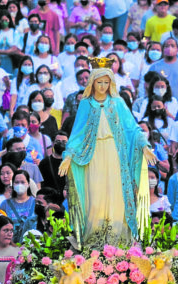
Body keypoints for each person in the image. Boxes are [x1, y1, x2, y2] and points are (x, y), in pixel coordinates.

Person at [58, 57, 156, 248]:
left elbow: (132, 129)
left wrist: (145, 146)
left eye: (106, 82)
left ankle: (118, 240)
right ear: (92, 82)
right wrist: (68, 156)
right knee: (94, 195)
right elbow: (77, 134)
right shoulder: (86, 104)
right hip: (93, 155)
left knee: (116, 194)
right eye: (99, 82)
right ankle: (93, 240)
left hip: (114, 153)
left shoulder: (117, 103)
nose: (102, 86)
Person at [0, 170, 37, 242]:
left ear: (28, 184)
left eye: (23, 182)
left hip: (32, 244)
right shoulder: (5, 204)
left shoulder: (35, 203)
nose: (20, 185)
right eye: (17, 182)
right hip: (10, 246)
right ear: (12, 184)